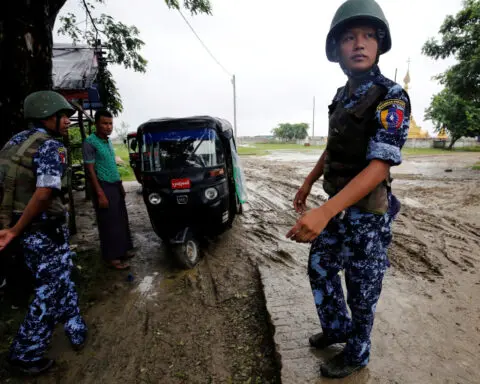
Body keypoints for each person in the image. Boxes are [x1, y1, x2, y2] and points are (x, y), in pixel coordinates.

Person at [286, 0, 410, 378]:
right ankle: (337, 329)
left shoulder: (391, 96)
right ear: (336, 48)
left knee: (362, 286)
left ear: (379, 45)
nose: (359, 43)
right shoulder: (342, 96)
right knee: (320, 266)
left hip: (368, 214)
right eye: (349, 36)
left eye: (369, 36)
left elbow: (379, 167)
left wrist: (322, 213)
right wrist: (309, 184)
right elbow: (333, 145)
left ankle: (358, 353)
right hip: (338, 206)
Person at [0, 90, 88, 375]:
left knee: (63, 274)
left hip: (25, 229)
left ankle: (74, 324)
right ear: (47, 117)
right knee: (48, 291)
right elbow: (44, 193)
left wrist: (11, 227)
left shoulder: (14, 143)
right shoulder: (51, 146)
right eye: (63, 117)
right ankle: (24, 354)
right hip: (40, 230)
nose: (67, 123)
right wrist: (15, 230)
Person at [82, 110, 134, 270]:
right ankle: (111, 257)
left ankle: (122, 250)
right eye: (104, 123)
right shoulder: (90, 142)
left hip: (114, 185)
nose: (108, 126)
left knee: (120, 219)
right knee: (108, 223)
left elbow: (112, 165)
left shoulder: (108, 142)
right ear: (96, 124)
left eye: (110, 123)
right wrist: (99, 193)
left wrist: (120, 185)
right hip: (102, 186)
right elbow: (90, 171)